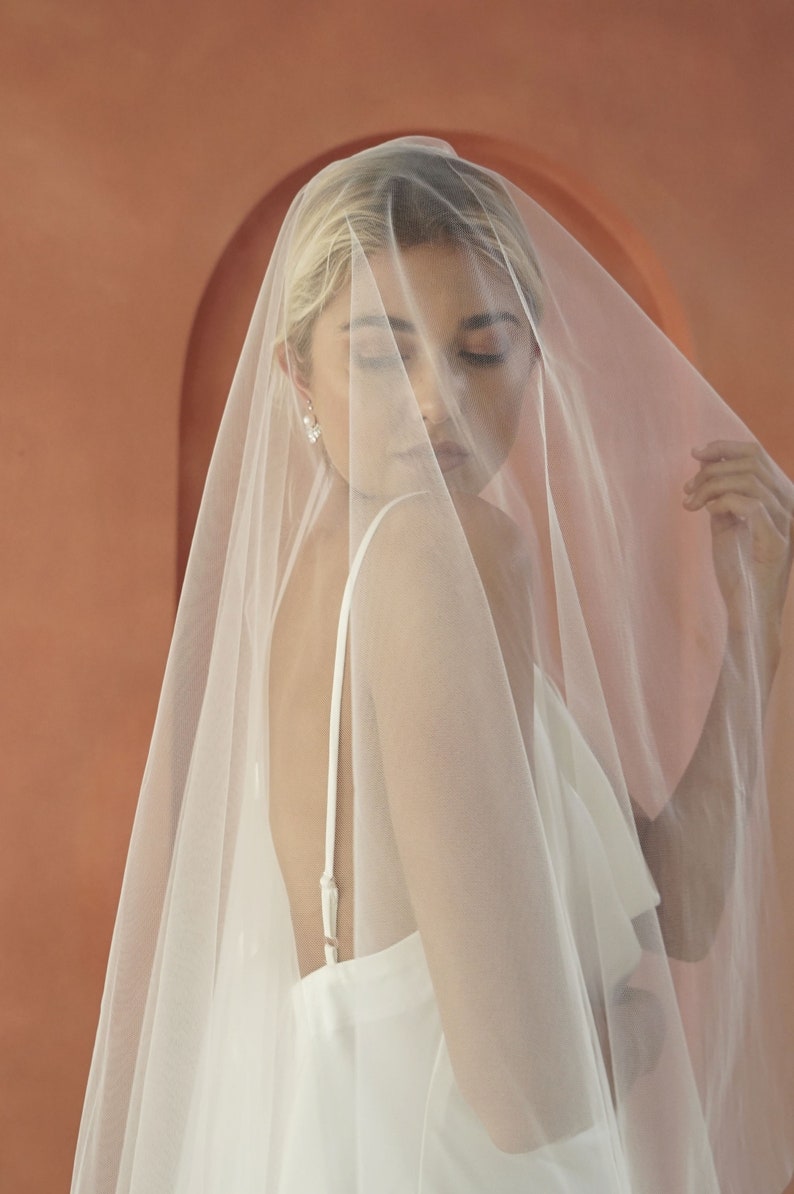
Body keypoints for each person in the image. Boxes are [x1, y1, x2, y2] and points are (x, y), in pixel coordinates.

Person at [71, 137, 794, 1194]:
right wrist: (630, 1028)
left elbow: (670, 905)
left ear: (534, 356)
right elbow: (520, 1095)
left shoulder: (334, 582)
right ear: (298, 374)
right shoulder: (433, 558)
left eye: (481, 349)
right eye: (380, 352)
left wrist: (751, 633)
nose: (434, 398)